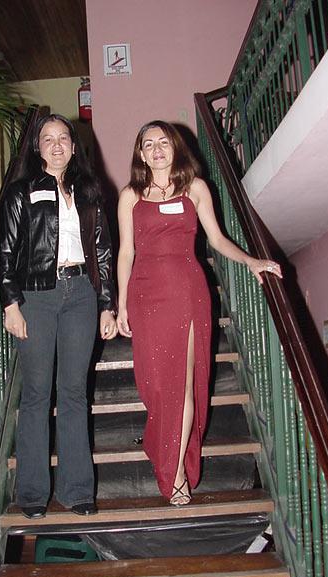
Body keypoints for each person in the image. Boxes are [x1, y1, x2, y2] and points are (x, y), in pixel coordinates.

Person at [117, 120, 281, 505]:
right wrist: (121, 303)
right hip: (145, 295)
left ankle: (175, 471)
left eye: (163, 142)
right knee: (156, 386)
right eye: (148, 144)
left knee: (183, 383)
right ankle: (165, 445)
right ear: (141, 154)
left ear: (175, 147)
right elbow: (126, 252)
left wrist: (251, 261)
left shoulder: (195, 188)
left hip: (188, 292)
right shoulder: (130, 195)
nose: (157, 149)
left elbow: (218, 239)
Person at [0, 113, 117, 519]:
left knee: (73, 393)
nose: (57, 145)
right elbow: (5, 251)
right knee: (36, 394)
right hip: (36, 296)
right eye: (48, 139)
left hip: (81, 293)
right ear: (38, 147)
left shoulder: (90, 191)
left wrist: (107, 304)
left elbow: (103, 251)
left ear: (73, 145)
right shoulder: (21, 192)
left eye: (63, 137)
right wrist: (11, 304)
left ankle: (77, 490)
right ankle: (32, 494)